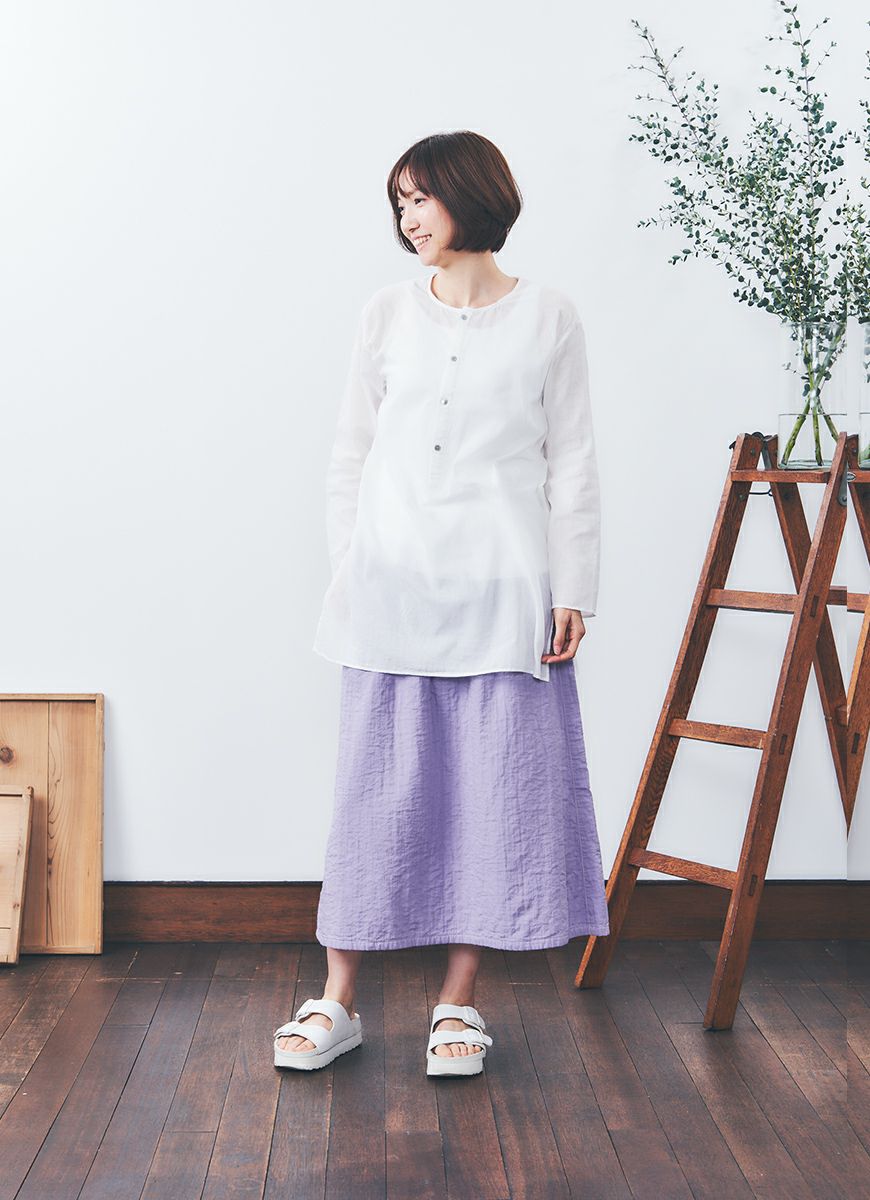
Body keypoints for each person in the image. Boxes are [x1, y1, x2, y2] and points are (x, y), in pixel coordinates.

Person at [273, 130, 610, 1077]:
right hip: (390, 590)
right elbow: (350, 454)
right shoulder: (386, 313)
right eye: (400, 201)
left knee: (493, 798)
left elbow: (573, 461)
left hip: (505, 593)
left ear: (471, 192)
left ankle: (457, 1004)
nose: (408, 217)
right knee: (374, 797)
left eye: (421, 196)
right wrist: (352, 564)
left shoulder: (550, 317)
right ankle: (337, 999)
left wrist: (575, 587)